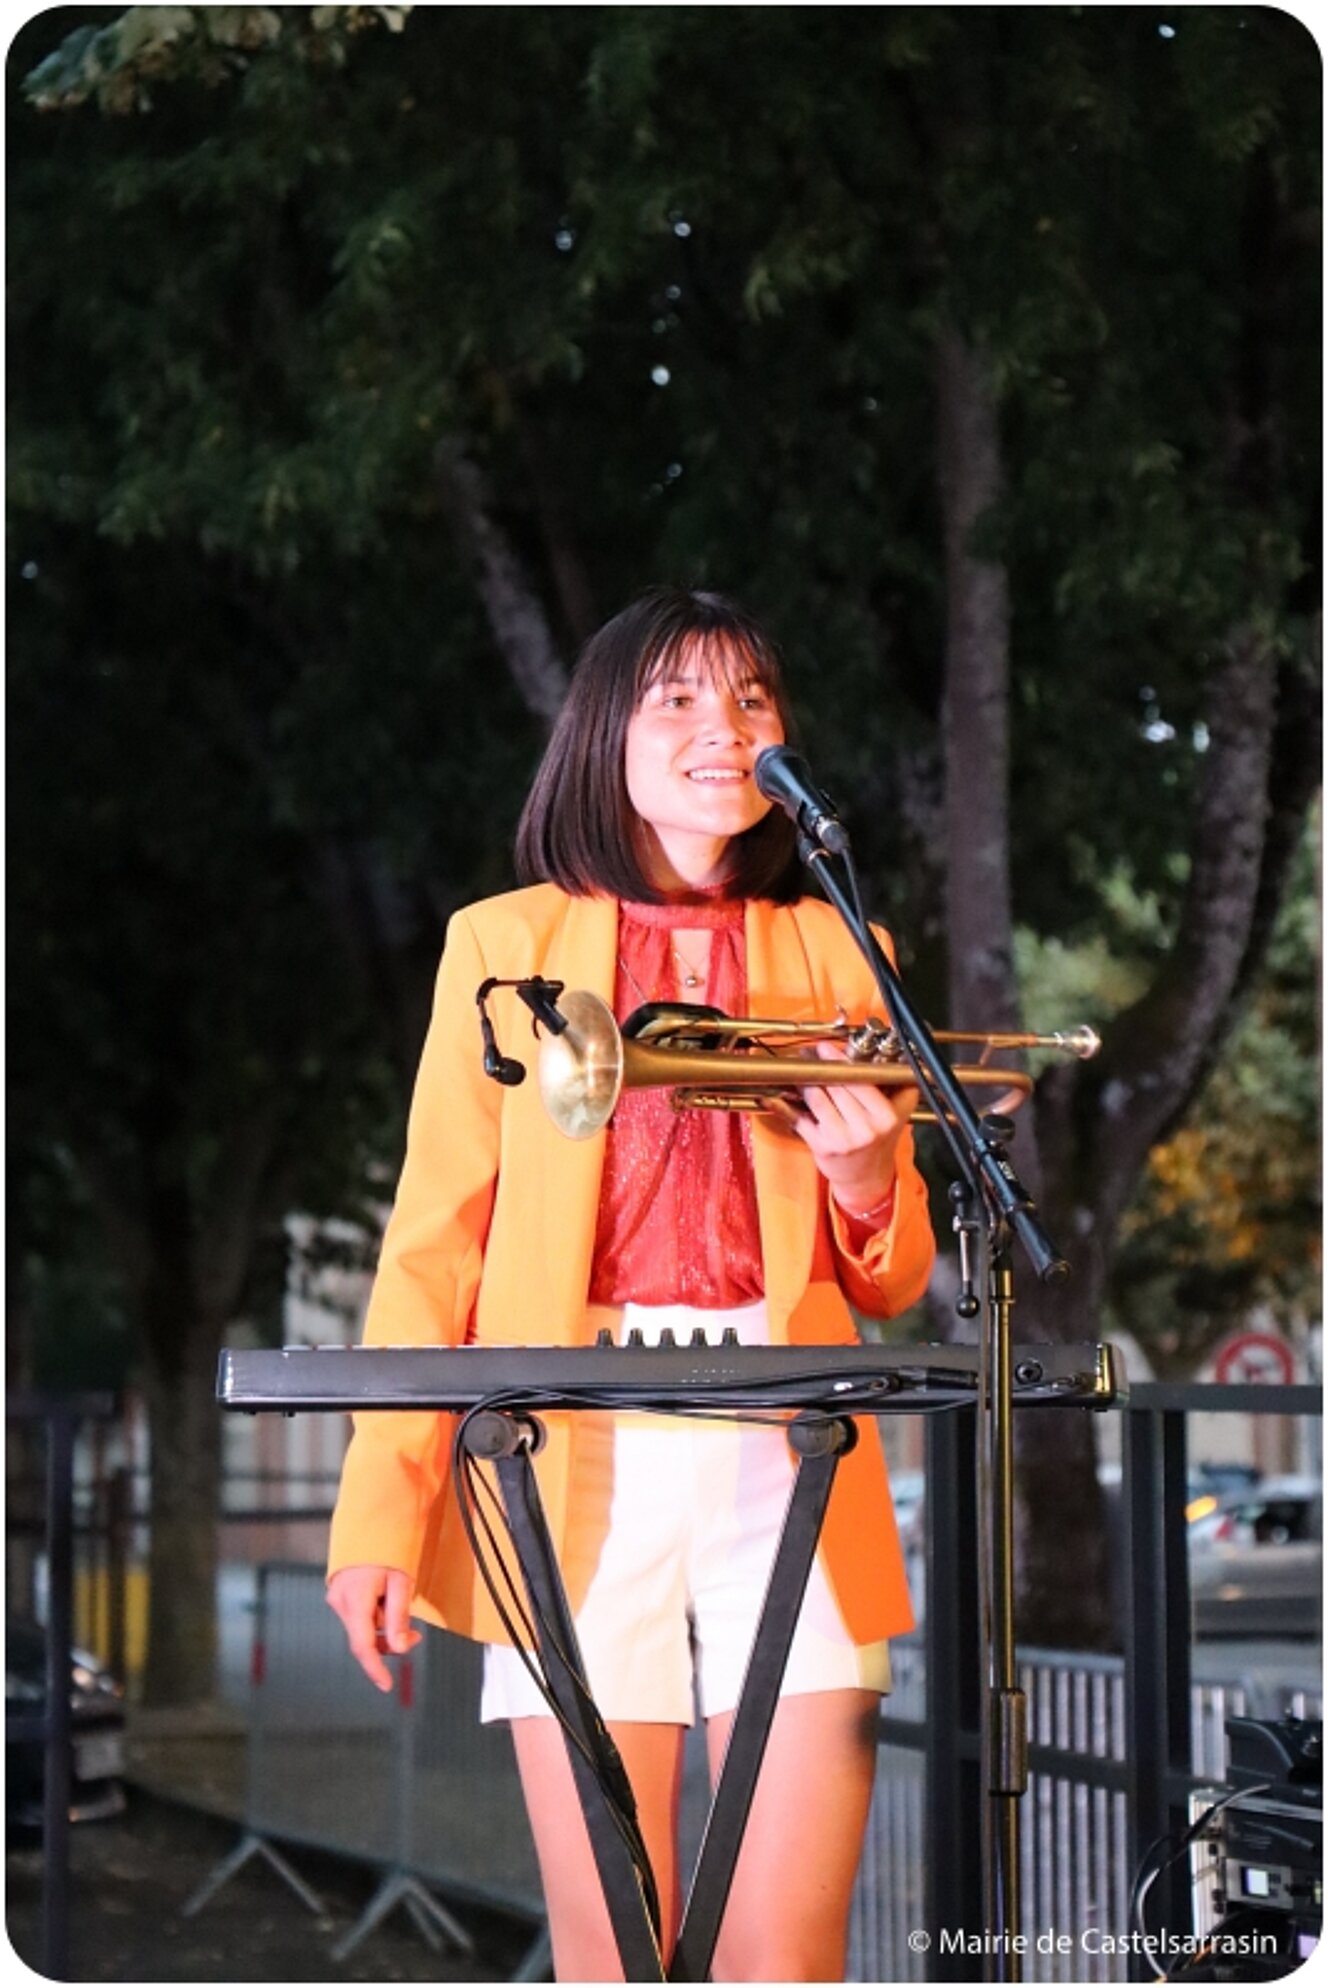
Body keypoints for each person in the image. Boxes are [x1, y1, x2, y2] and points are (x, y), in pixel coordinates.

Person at [326, 587, 935, 1982]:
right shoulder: (502, 945)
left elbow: (893, 1275)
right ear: (602, 734)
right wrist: (380, 1514)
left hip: (792, 1446)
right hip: (567, 1453)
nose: (726, 726)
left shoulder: (843, 951)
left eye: (752, 698)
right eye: (678, 698)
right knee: (617, 1956)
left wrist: (865, 1179)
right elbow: (433, 1249)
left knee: (791, 1961)